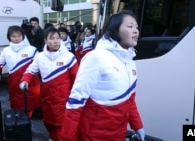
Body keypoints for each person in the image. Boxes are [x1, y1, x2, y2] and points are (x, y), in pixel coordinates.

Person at [61, 10, 145, 141]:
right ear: (115, 30)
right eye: (130, 26)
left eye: (136, 27)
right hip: (93, 135)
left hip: (118, 133)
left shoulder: (129, 61)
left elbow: (130, 99)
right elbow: (76, 102)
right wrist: (67, 138)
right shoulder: (96, 57)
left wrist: (137, 126)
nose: (135, 31)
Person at [19, 27, 79, 141]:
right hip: (47, 98)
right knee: (48, 122)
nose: (56, 41)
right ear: (45, 40)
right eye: (52, 38)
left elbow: (77, 78)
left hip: (64, 100)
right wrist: (25, 80)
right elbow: (30, 70)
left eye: (58, 38)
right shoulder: (40, 56)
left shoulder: (69, 57)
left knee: (61, 126)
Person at [0, 25, 41, 118]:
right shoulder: (6, 50)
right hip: (14, 85)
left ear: (23, 36)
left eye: (18, 36)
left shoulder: (32, 50)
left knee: (30, 111)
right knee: (17, 111)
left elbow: (40, 66)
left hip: (30, 85)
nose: (16, 38)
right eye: (13, 36)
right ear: (9, 37)